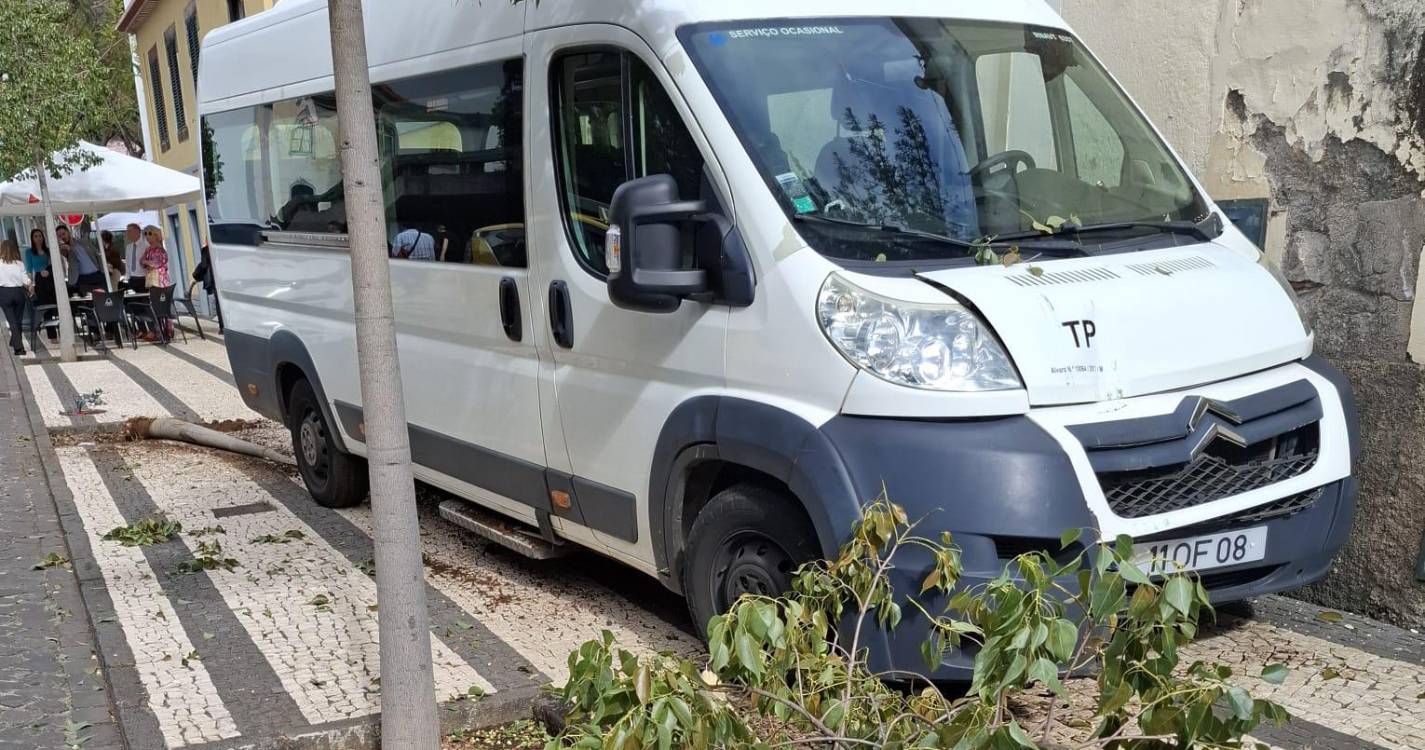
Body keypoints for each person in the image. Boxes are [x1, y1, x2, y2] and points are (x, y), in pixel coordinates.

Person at [138, 225, 173, 342]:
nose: (147, 236)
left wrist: (147, 262)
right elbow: (141, 262)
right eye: (145, 234)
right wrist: (146, 262)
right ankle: (158, 331)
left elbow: (156, 264)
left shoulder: (160, 249)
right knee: (154, 305)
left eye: (150, 233)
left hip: (160, 279)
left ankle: (166, 331)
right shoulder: (148, 249)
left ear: (156, 235)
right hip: (151, 279)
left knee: (161, 305)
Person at [0, 239, 32, 355]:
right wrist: (30, 281)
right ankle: (15, 342)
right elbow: (26, 281)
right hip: (19, 293)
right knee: (18, 320)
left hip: (4, 293)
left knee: (12, 320)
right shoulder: (19, 264)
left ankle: (19, 348)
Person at [56, 224, 105, 292]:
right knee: (88, 300)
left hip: (97, 275)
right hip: (83, 279)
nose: (62, 237)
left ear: (68, 232)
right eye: (60, 236)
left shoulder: (83, 241)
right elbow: (67, 257)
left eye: (63, 234)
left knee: (103, 299)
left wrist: (103, 270)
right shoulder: (64, 250)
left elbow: (97, 254)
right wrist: (64, 248)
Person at [189, 244, 223, 333]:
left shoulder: (206, 250)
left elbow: (204, 266)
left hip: (215, 279)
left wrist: (196, 276)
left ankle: (223, 327)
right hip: (226, 278)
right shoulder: (223, 246)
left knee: (219, 303)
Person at [23, 228, 56, 307]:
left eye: (40, 236)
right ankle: (47, 317)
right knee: (43, 300)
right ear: (32, 239)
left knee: (54, 298)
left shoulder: (48, 250)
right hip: (39, 278)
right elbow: (29, 269)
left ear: (43, 237)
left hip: (50, 276)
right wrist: (30, 284)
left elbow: (52, 264)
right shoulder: (29, 252)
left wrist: (48, 271)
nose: (38, 238)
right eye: (36, 236)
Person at [122, 223, 146, 292]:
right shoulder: (129, 247)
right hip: (132, 279)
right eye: (127, 231)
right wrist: (128, 277)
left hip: (143, 278)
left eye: (129, 231)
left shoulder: (145, 246)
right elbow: (128, 263)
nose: (127, 234)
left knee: (143, 300)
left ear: (137, 231)